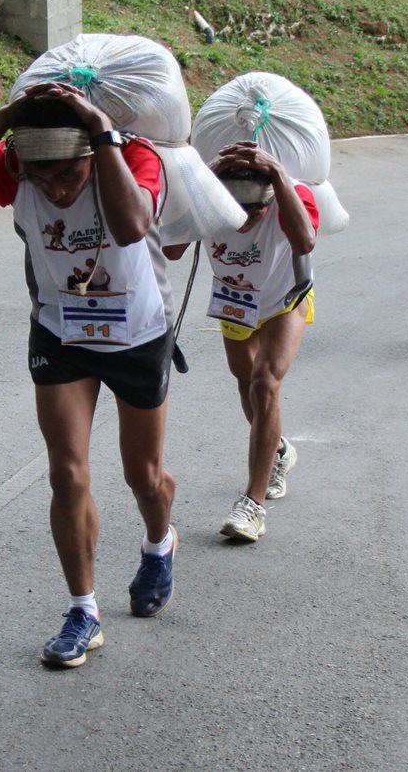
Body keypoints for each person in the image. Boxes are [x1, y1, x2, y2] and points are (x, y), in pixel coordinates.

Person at [0, 81, 178, 668]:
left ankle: (159, 542)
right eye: (40, 179)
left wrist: (100, 134)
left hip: (136, 332)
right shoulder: (19, 161)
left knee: (144, 474)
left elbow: (133, 224)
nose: (54, 190)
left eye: (66, 175)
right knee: (67, 472)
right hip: (62, 332)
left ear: (90, 149)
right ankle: (83, 611)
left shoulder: (131, 154)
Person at [165, 141, 318, 543]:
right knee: (245, 382)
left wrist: (281, 177)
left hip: (284, 300)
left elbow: (304, 241)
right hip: (236, 303)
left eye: (256, 208)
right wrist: (203, 182)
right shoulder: (210, 197)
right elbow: (173, 249)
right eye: (236, 206)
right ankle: (279, 450)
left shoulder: (292, 194)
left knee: (265, 384)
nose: (245, 218)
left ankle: (252, 506)